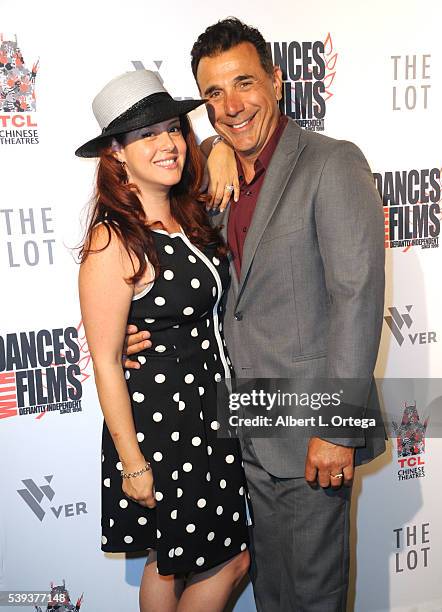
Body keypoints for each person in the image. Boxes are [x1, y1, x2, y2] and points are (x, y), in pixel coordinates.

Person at [125, 18, 386, 612]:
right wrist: (123, 339)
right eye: (214, 93)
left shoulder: (331, 163)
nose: (231, 105)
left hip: (311, 433)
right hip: (242, 429)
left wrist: (337, 430)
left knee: (313, 596)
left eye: (245, 83)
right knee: (273, 593)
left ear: (276, 81)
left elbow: (357, 297)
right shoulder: (212, 182)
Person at [76, 69, 250, 612]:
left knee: (170, 560)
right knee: (216, 558)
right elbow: (105, 361)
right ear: (116, 154)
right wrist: (133, 462)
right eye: (147, 135)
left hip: (211, 411)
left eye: (173, 129)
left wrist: (218, 143)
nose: (169, 143)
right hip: (165, 425)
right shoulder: (113, 238)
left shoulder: (188, 214)